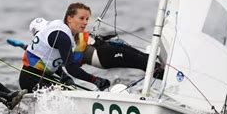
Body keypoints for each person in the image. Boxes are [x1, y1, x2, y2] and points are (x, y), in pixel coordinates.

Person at [19, 2, 111, 92]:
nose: (85, 22)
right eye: (81, 18)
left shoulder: (61, 28)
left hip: (41, 77)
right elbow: (71, 68)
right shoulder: (62, 37)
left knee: (70, 91)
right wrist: (95, 80)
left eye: (87, 19)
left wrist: (64, 76)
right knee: (66, 96)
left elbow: (49, 59)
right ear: (69, 18)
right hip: (30, 79)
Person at [28, 18, 163, 74]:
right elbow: (73, 60)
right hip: (100, 56)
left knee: (146, 59)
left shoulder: (57, 33)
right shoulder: (51, 46)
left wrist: (97, 39)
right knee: (143, 62)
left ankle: (172, 75)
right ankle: (169, 75)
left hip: (103, 48)